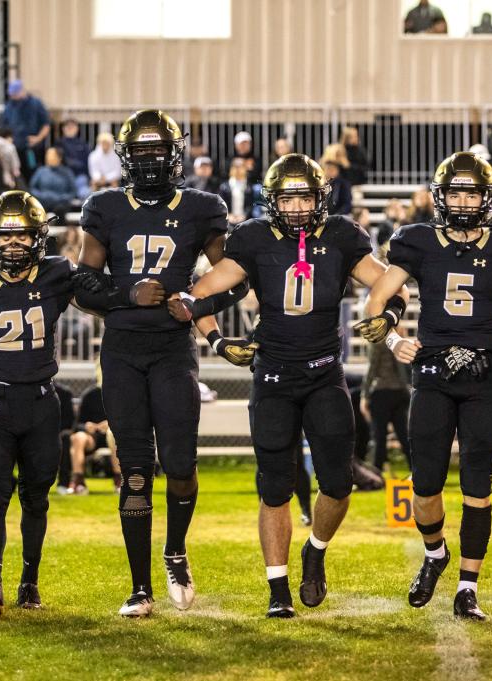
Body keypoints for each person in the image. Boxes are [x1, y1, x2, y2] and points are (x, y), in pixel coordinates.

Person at [169, 153, 409, 618]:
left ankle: (314, 551)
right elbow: (194, 297)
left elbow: (392, 285)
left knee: (338, 485)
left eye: (304, 197)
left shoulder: (342, 235)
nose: (297, 207)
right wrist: (218, 342)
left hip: (324, 374)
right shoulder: (254, 239)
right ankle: (277, 591)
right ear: (271, 201)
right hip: (274, 376)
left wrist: (390, 319)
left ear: (320, 198)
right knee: (274, 488)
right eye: (287, 197)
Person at [359, 151, 492, 621]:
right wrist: (396, 337)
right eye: (456, 192)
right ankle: (435, 552)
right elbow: (377, 299)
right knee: (425, 485)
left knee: (478, 485)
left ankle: (467, 587)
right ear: (441, 196)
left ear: (488, 198)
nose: (464, 202)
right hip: (433, 374)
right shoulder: (417, 242)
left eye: (472, 193)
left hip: (483, 375)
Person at [73, 110, 245, 617]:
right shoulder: (105, 206)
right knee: (135, 470)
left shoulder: (201, 207)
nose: (150, 160)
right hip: (123, 351)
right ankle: (139, 587)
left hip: (172, 351)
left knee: (181, 465)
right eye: (141, 151)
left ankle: (175, 550)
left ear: (175, 154)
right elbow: (83, 286)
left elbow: (234, 276)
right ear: (126, 157)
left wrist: (196, 304)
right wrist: (128, 291)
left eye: (157, 150)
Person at [0, 190, 88, 618]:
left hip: (42, 402)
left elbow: (95, 301)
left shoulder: (56, 274)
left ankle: (30, 581)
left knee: (36, 499)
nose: (12, 244)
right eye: (4, 236)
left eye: (21, 236)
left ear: (37, 237)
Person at [361, 340, 411, 472]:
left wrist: (364, 395)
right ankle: (417, 470)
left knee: (379, 435)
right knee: (403, 434)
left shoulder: (377, 343)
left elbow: (372, 369)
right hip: (400, 392)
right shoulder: (398, 341)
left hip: (381, 392)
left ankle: (377, 472)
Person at [68, 375, 121, 495]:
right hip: (92, 437)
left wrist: (111, 423)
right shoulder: (89, 395)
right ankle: (78, 481)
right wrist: (86, 426)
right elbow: (77, 425)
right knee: (78, 438)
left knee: (112, 434)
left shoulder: (121, 393)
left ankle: (119, 480)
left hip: (113, 436)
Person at [0, 80, 51, 177]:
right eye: (12, 94)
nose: (13, 96)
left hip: (32, 148)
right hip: (14, 149)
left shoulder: (36, 104)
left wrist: (38, 138)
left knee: (33, 173)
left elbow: (46, 125)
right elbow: (4, 126)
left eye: (15, 94)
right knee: (17, 175)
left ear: (22, 91)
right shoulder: (9, 106)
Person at [58, 119, 92, 198]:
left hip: (79, 175)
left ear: (77, 128)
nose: (70, 128)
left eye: (72, 126)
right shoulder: (58, 143)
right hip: (63, 176)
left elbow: (88, 162)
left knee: (84, 193)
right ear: (63, 128)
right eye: (67, 126)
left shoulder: (83, 144)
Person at [219, 158, 256, 225]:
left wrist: (244, 215)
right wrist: (228, 215)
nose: (238, 169)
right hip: (228, 221)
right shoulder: (224, 187)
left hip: (245, 220)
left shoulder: (250, 187)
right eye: (235, 167)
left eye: (241, 166)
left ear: (245, 169)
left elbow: (251, 205)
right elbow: (221, 204)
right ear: (231, 169)